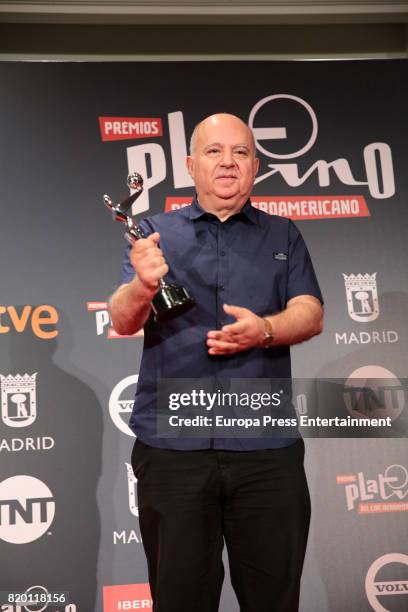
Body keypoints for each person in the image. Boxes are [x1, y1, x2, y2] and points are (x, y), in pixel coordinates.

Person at [109, 113, 324, 612]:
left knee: (274, 599)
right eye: (213, 152)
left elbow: (310, 313)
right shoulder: (152, 233)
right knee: (180, 599)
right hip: (173, 450)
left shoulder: (283, 234)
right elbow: (122, 320)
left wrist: (265, 329)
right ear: (190, 165)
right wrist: (142, 284)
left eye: (241, 153)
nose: (228, 162)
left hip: (266, 450)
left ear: (255, 166)